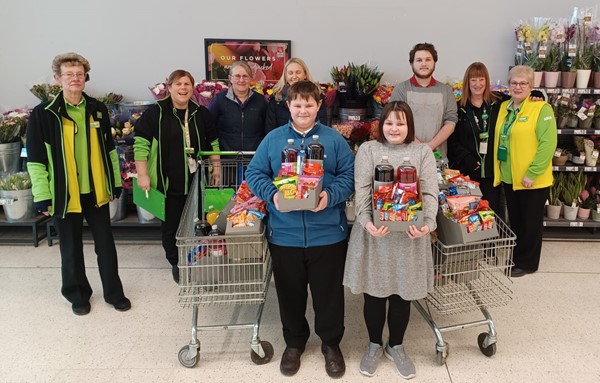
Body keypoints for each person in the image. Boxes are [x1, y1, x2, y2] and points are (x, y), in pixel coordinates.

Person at [245, 80, 355, 378]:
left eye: (309, 104)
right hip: (285, 235)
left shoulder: (334, 140)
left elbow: (350, 175)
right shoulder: (273, 140)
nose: (303, 109)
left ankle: (331, 344)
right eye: (297, 104)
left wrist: (330, 196)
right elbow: (254, 173)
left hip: (328, 234)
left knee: (328, 294)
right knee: (290, 293)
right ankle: (294, 344)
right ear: (288, 106)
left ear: (319, 105)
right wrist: (273, 195)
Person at [26, 52, 130, 316]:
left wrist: (114, 182)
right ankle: (78, 294)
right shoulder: (43, 114)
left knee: (105, 244)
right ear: (57, 79)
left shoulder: (97, 109)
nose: (75, 79)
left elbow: (109, 151)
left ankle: (114, 293)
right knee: (70, 248)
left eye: (79, 74)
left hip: (95, 189)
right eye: (69, 74)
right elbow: (36, 160)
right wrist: (42, 195)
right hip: (64, 192)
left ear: (86, 78)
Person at [343, 101, 438, 379]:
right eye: (389, 122)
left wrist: (427, 224)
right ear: (380, 125)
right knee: (374, 292)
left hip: (410, 237)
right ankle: (374, 345)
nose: (394, 128)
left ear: (409, 126)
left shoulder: (422, 153)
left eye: (400, 123)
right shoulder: (369, 150)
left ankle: (396, 345)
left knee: (402, 294)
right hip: (375, 235)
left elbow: (430, 193)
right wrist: (367, 222)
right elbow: (361, 190)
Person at [134, 69, 221, 283]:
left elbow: (213, 142)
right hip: (168, 181)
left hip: (196, 181)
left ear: (193, 88)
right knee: (171, 225)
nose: (183, 88)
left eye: (187, 84)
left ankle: (195, 258)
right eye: (178, 84)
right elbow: (141, 144)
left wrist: (216, 168)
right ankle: (176, 262)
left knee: (198, 221)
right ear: (169, 87)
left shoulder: (200, 113)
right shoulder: (157, 113)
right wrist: (143, 175)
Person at [493, 65, 557, 277]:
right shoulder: (505, 107)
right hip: (510, 176)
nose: (518, 87)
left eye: (523, 83)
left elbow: (548, 144)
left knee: (530, 223)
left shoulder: (541, 109)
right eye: (514, 83)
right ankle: (518, 257)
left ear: (531, 86)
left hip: (532, 179)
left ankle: (527, 263)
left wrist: (533, 172)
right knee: (518, 221)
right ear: (508, 85)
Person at [389, 42, 457, 158]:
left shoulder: (446, 91)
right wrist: (420, 147)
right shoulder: (401, 90)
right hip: (405, 156)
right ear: (411, 63)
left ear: (435, 62)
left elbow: (451, 121)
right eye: (419, 60)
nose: (424, 64)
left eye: (428, 60)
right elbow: (395, 122)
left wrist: (430, 146)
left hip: (437, 157)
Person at [208, 61, 267, 151]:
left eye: (245, 76)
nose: (241, 80)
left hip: (255, 158)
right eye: (237, 76)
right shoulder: (219, 100)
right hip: (227, 159)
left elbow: (267, 130)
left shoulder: (261, 101)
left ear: (251, 78)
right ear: (230, 78)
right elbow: (209, 127)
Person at [265, 57, 327, 132]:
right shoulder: (276, 98)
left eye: (298, 72)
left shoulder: (317, 96)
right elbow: (270, 129)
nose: (294, 76)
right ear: (285, 76)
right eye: (290, 73)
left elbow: (322, 126)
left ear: (305, 75)